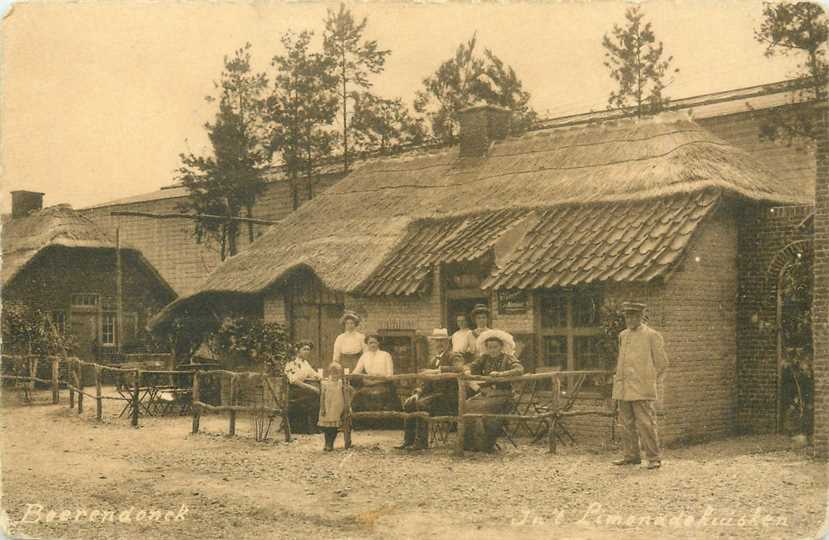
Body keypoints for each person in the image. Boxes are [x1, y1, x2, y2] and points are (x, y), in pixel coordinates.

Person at [611, 301, 669, 470]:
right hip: (623, 387)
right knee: (626, 424)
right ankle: (631, 456)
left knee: (646, 423)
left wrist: (649, 380)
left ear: (641, 316)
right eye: (627, 316)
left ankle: (653, 457)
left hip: (642, 388)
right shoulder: (623, 335)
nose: (630, 319)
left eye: (634, 315)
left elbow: (662, 363)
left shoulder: (652, 335)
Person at [397, 329, 464, 450]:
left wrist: (437, 371)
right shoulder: (433, 360)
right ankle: (408, 440)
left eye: (442, 341)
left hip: (448, 399)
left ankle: (421, 442)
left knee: (421, 404)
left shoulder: (454, 355)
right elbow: (425, 381)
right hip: (434, 397)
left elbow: (459, 368)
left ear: (448, 342)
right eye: (437, 341)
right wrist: (417, 393)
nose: (439, 344)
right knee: (409, 403)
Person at [463, 329, 523, 452]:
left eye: (495, 347)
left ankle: (487, 444)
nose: (492, 350)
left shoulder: (508, 358)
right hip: (487, 394)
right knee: (466, 405)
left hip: (504, 395)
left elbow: (519, 369)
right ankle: (470, 443)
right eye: (490, 347)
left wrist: (502, 374)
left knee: (485, 408)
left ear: (501, 347)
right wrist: (467, 370)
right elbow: (471, 366)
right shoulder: (484, 358)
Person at [351, 335, 401, 418]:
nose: (372, 345)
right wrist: (351, 376)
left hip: (383, 383)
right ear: (367, 344)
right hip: (368, 383)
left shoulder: (385, 355)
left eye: (374, 342)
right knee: (358, 395)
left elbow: (390, 373)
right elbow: (356, 371)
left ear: (378, 343)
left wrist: (379, 380)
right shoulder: (364, 356)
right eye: (370, 343)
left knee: (387, 396)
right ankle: (363, 419)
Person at [284, 341, 322, 434]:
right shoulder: (292, 362)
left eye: (308, 350)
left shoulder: (305, 363)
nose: (307, 352)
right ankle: (309, 428)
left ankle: (316, 426)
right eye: (304, 349)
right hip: (293, 391)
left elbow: (314, 374)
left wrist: (320, 377)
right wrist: (311, 388)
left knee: (319, 394)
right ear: (298, 351)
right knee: (315, 394)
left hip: (302, 390)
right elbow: (294, 381)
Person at [318, 363, 352, 451]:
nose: (335, 375)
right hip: (327, 407)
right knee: (326, 427)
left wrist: (347, 406)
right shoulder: (325, 383)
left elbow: (347, 394)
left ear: (340, 373)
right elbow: (322, 396)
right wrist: (322, 408)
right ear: (329, 372)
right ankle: (326, 443)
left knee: (333, 427)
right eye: (333, 373)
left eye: (337, 373)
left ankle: (330, 444)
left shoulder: (342, 383)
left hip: (337, 408)